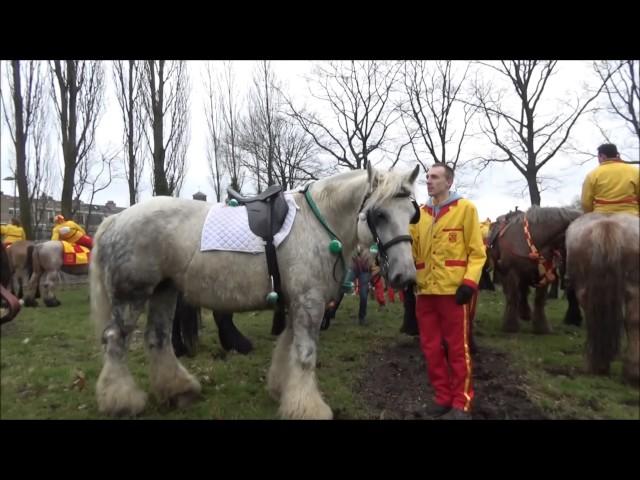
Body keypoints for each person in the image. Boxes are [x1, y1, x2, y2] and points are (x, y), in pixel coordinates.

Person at [411, 162, 486, 420]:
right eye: (427, 177)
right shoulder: (419, 214)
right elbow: (410, 249)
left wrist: (469, 283)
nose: (428, 181)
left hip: (454, 293)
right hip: (424, 291)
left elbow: (477, 253)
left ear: (448, 182)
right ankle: (442, 398)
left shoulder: (465, 209)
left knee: (457, 348)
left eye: (434, 177)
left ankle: (461, 403)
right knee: (430, 348)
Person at [581, 143, 639, 216]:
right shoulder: (635, 171)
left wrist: (590, 215)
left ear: (602, 156)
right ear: (617, 154)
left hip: (601, 216)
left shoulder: (592, 175)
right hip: (631, 215)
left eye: (598, 157)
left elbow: (585, 203)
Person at [352, 245, 372, 326]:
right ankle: (330, 313)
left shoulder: (369, 243)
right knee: (340, 289)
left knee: (363, 295)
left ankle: (362, 317)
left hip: (364, 271)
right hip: (352, 268)